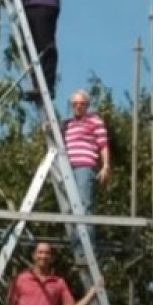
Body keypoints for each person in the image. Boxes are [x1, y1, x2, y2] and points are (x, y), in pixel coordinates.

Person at [61, 89, 111, 259]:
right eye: (75, 104)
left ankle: (87, 250)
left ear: (87, 105)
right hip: (68, 169)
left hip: (84, 167)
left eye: (81, 104)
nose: (78, 107)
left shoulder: (94, 121)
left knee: (83, 206)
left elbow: (103, 144)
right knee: (69, 209)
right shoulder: (67, 124)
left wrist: (105, 166)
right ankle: (76, 248)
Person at [4, 242, 103, 305]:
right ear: (34, 256)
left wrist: (93, 291)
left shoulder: (58, 282)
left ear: (52, 258)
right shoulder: (21, 278)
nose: (43, 256)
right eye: (40, 252)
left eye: (47, 253)